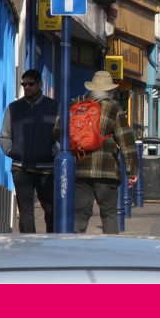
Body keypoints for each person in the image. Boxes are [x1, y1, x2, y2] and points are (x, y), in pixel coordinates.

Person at [54, 71, 139, 233]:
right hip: (106, 170)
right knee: (109, 212)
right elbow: (126, 140)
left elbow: (57, 132)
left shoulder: (76, 104)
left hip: (79, 167)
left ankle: (77, 248)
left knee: (80, 212)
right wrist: (132, 170)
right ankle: (110, 250)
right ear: (109, 90)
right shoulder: (113, 107)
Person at [0, 69, 60, 233]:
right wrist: (12, 151)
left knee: (51, 210)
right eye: (24, 84)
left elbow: (61, 136)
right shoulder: (14, 108)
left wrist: (54, 152)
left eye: (30, 84)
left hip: (47, 169)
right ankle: (27, 245)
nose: (27, 87)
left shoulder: (54, 107)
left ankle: (51, 243)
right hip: (21, 168)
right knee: (26, 211)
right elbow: (4, 136)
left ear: (40, 84)